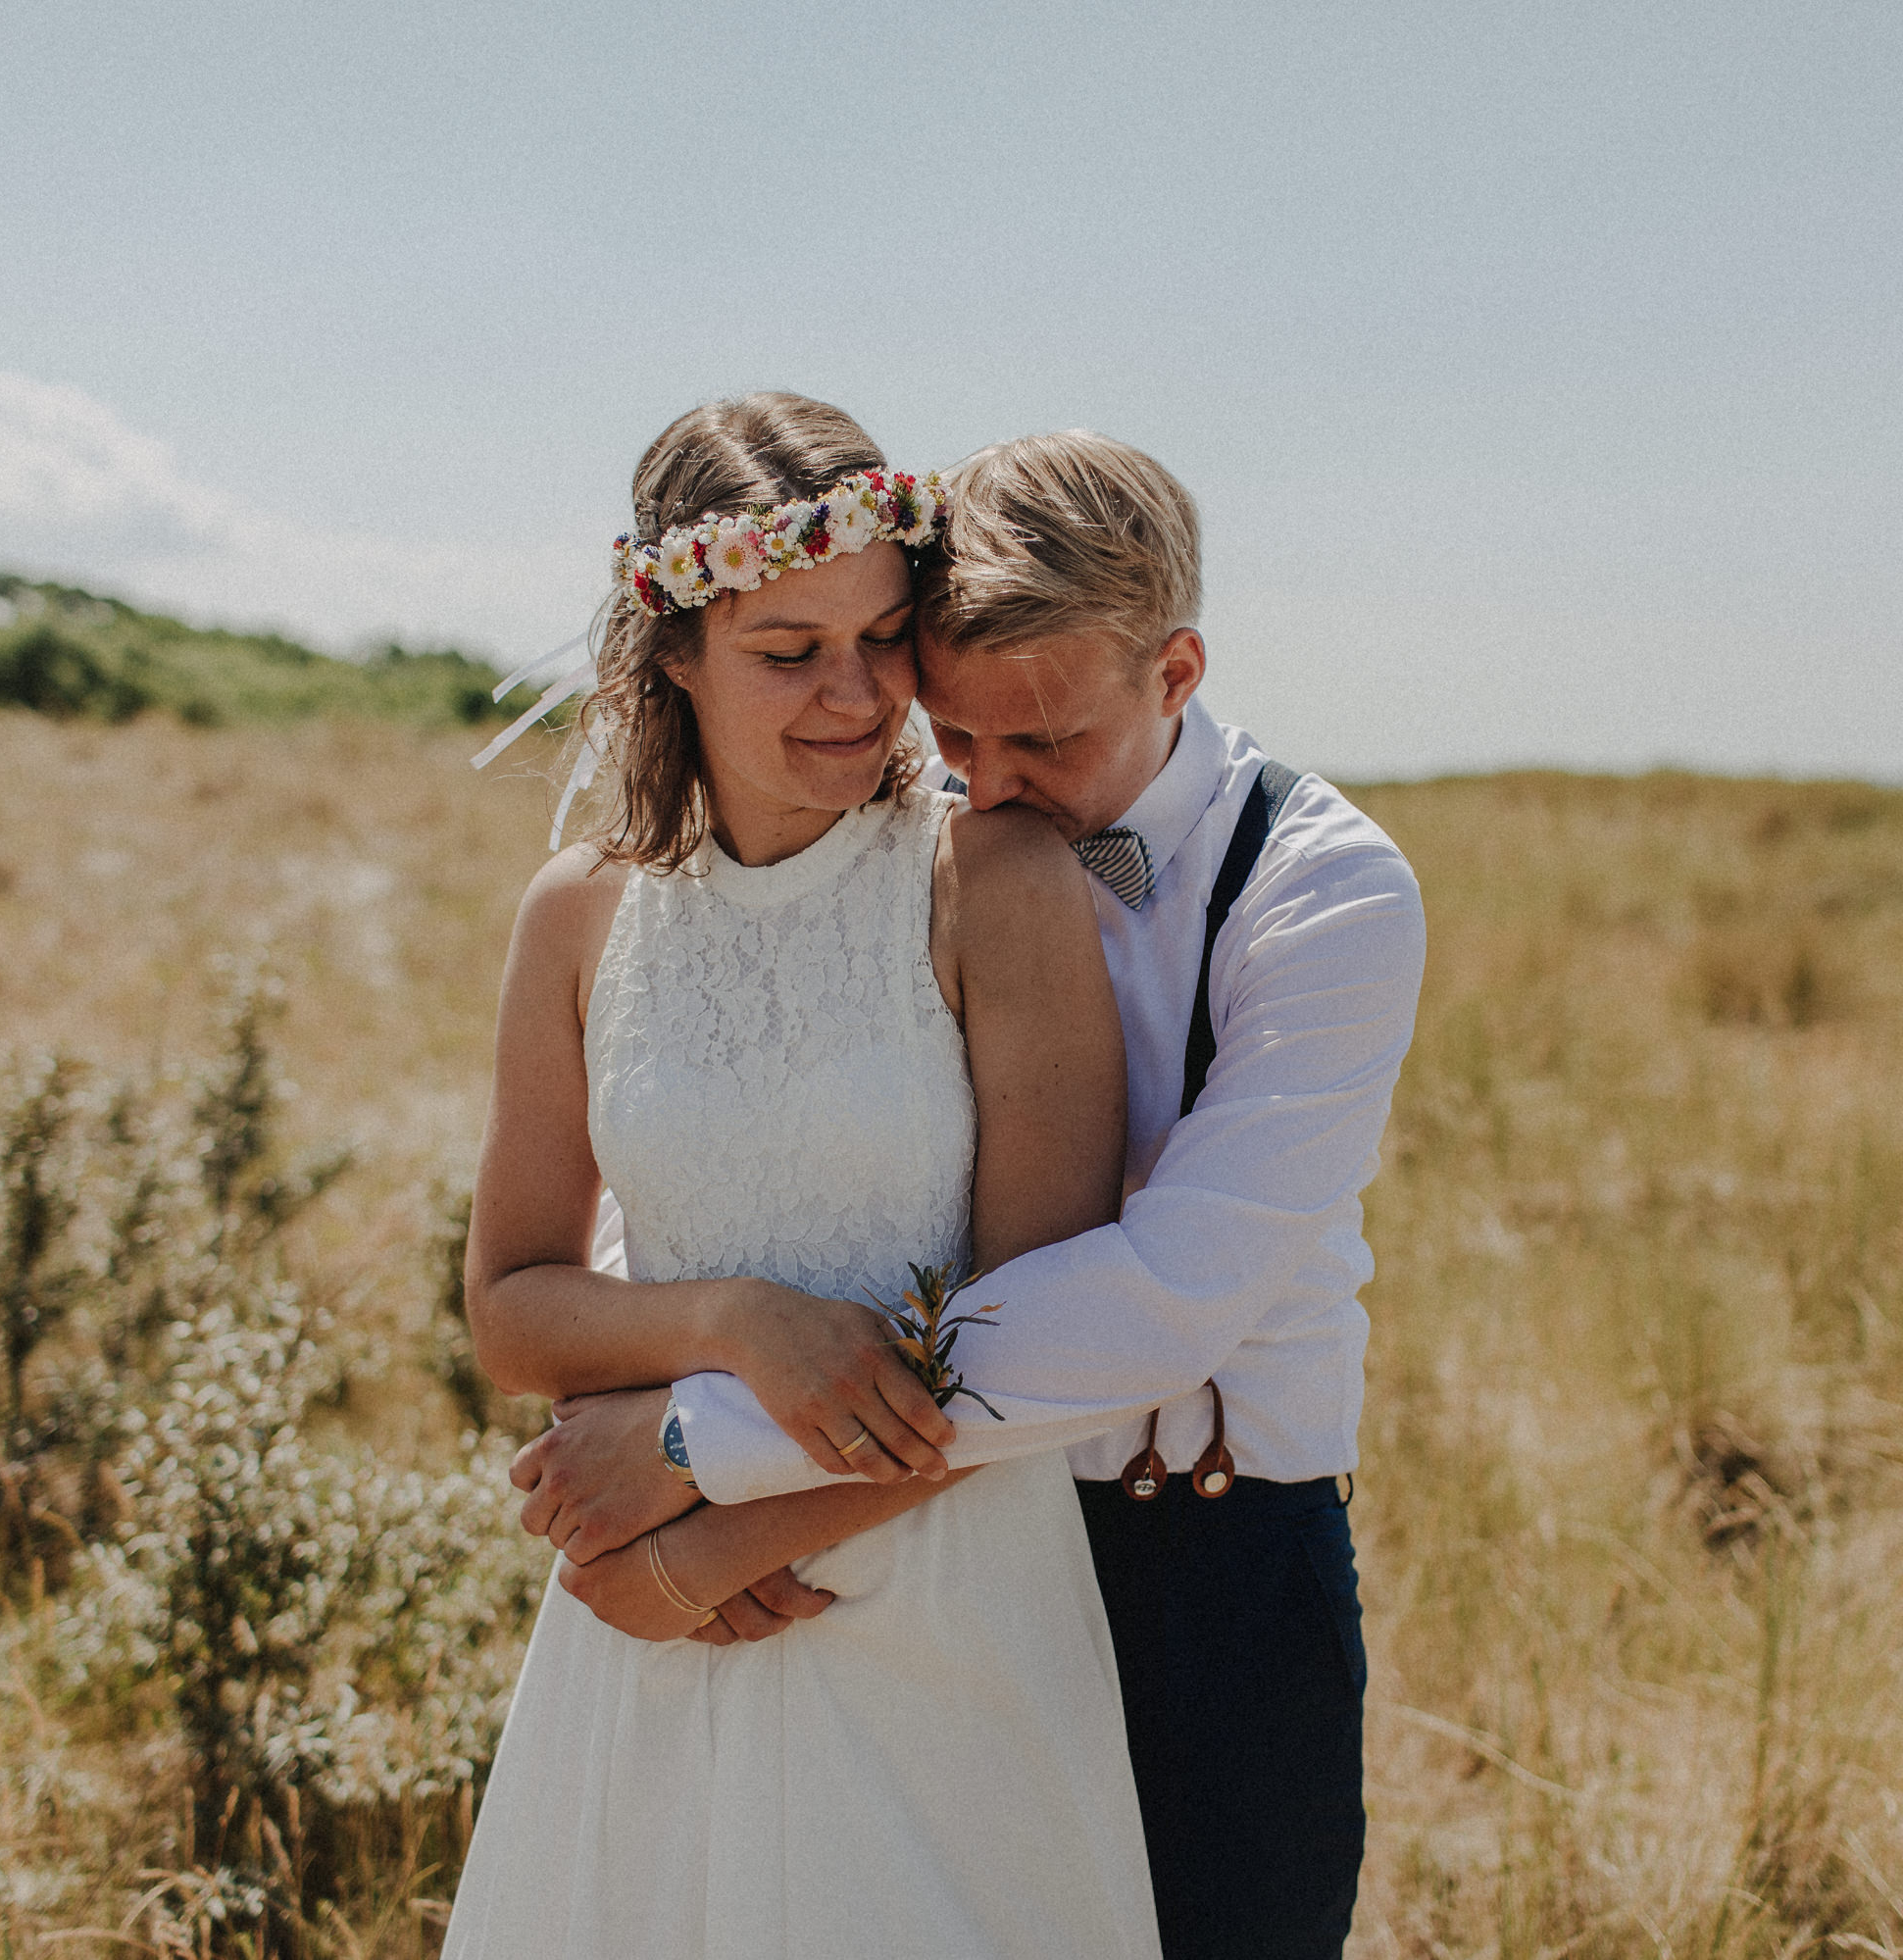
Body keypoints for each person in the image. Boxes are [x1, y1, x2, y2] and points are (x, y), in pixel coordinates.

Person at [522, 430, 1427, 1960]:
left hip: (1204, 1560)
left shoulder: (1323, 892)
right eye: (956, 741)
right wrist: (687, 1400)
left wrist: (703, 1467)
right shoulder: (915, 848)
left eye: (1043, 746)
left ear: (1178, 669)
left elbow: (1158, 1301)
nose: (989, 790)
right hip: (917, 1550)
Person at [443, 394, 1161, 1960]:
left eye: (885, 639)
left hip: (927, 1605)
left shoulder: (1000, 882)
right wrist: (739, 1323)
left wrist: (706, 1546)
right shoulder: (580, 914)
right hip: (649, 1633)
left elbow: (1043, 1339)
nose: (856, 699)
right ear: (672, 652)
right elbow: (512, 1312)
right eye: (787, 651)